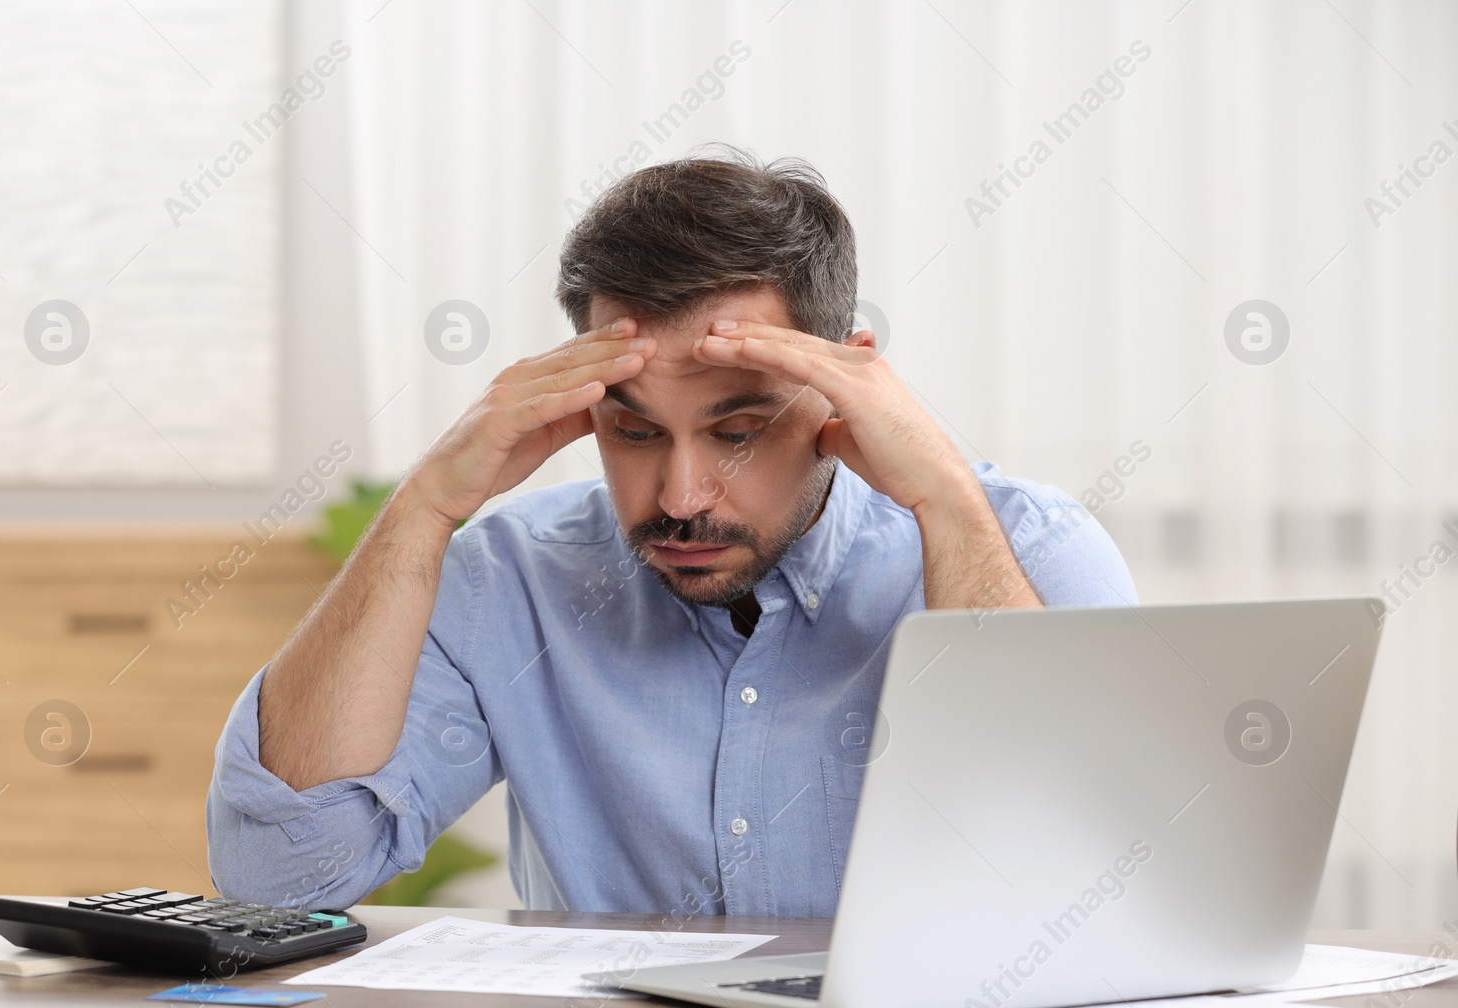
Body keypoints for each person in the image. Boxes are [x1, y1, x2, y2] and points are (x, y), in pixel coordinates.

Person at [207, 150, 1136, 917]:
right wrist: (423, 508)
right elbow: (281, 879)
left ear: (848, 385)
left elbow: (1078, 880)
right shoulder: (511, 580)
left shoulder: (1029, 549)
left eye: (739, 431)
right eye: (636, 429)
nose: (682, 494)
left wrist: (940, 498)